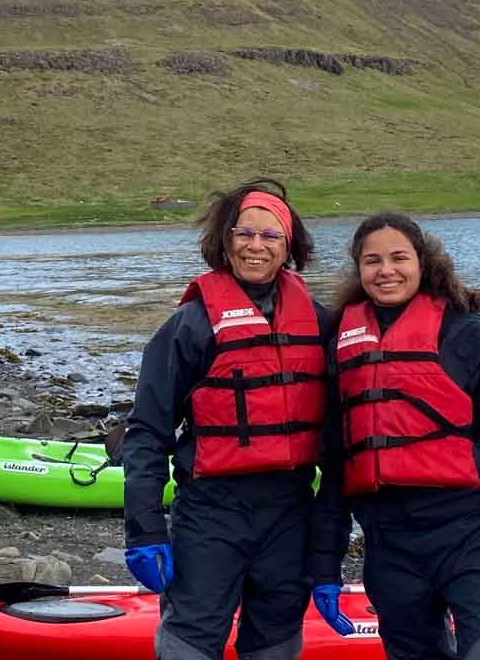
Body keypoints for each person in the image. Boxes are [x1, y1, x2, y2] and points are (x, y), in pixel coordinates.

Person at [308, 213, 480, 660]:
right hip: (390, 547)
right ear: (358, 269)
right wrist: (325, 565)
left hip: (473, 538)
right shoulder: (341, 345)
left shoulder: (471, 335)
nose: (386, 271)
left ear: (423, 262)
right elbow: (336, 465)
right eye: (372, 261)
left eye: (399, 258)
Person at [123, 179, 334, 660]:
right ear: (225, 240)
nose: (255, 246)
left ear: (289, 246)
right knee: (191, 637)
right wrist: (146, 530)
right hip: (211, 514)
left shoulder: (319, 323)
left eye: (270, 236)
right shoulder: (190, 326)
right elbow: (148, 434)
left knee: (278, 638)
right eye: (244, 234)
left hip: (291, 512)